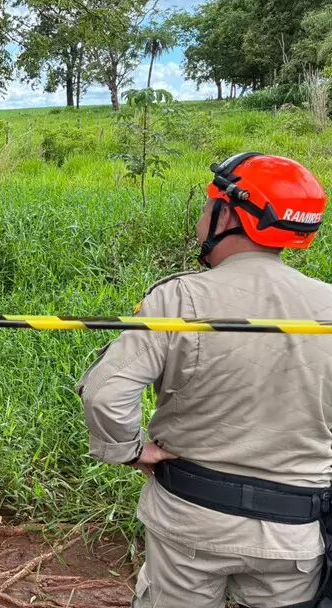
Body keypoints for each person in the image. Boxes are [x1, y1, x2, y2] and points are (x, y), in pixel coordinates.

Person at [79, 152, 332, 608]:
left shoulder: (178, 298)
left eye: (206, 205)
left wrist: (132, 449)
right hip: (294, 532)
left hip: (191, 522)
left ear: (229, 215)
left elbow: (105, 393)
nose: (200, 216)